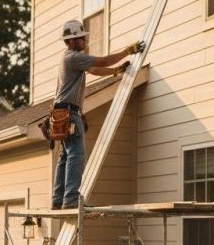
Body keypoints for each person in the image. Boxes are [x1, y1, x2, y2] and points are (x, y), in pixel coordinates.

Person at [51, 19, 144, 210]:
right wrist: (127, 51)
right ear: (71, 41)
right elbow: (101, 61)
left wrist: (114, 72)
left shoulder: (69, 58)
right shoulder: (72, 57)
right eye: (80, 38)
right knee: (76, 154)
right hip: (69, 112)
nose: (84, 41)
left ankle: (58, 199)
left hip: (61, 111)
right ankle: (70, 199)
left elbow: (94, 69)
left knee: (65, 156)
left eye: (83, 38)